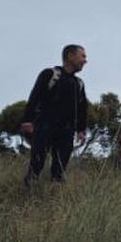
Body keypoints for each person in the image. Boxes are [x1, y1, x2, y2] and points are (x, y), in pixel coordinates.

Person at [19, 44, 90, 186]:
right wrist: (27, 120)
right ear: (70, 56)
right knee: (37, 162)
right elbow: (35, 97)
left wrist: (81, 130)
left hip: (67, 130)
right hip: (45, 125)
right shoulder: (50, 74)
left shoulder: (78, 83)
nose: (85, 60)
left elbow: (82, 108)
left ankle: (55, 193)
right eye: (82, 56)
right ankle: (28, 190)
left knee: (60, 168)